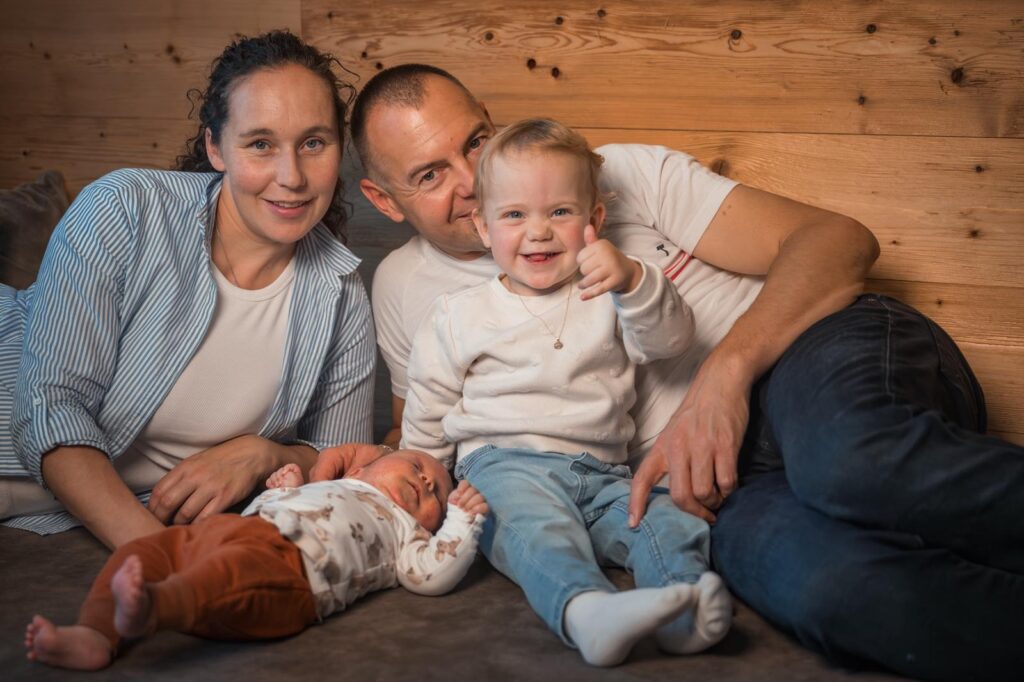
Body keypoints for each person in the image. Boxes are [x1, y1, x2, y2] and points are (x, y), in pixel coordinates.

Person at [320, 64, 1024, 680]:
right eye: (429, 174)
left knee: (847, 462)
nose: (472, 180)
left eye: (475, 141)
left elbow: (839, 242)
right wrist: (363, 465)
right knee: (832, 590)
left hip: (817, 359)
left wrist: (727, 374)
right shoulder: (408, 289)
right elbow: (429, 433)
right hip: (711, 484)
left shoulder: (611, 173)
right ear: (386, 200)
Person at [0, 31, 376, 549]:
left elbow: (343, 454)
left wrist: (264, 453)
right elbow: (50, 406)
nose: (291, 176)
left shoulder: (341, 289)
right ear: (215, 147)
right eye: (260, 143)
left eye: (314, 143)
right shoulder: (124, 209)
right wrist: (162, 560)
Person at [401, 117, 731, 667]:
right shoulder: (460, 315)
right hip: (504, 468)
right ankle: (587, 610)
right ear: (484, 227)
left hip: (605, 473)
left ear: (593, 220)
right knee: (536, 530)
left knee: (667, 517)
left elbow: (671, 340)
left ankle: (683, 606)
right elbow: (429, 409)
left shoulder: (611, 289)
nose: (538, 231)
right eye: (513, 215)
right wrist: (425, 497)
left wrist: (634, 280)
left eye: (559, 212)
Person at [23, 446, 488, 671]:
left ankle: (155, 606)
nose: (427, 483)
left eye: (437, 496)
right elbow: (279, 509)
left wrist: (462, 523)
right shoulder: (339, 484)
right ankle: (95, 632)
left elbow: (428, 575)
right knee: (146, 549)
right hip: (235, 530)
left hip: (293, 575)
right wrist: (286, 489)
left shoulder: (406, 532)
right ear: (363, 467)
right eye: (417, 466)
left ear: (429, 523)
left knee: (226, 577)